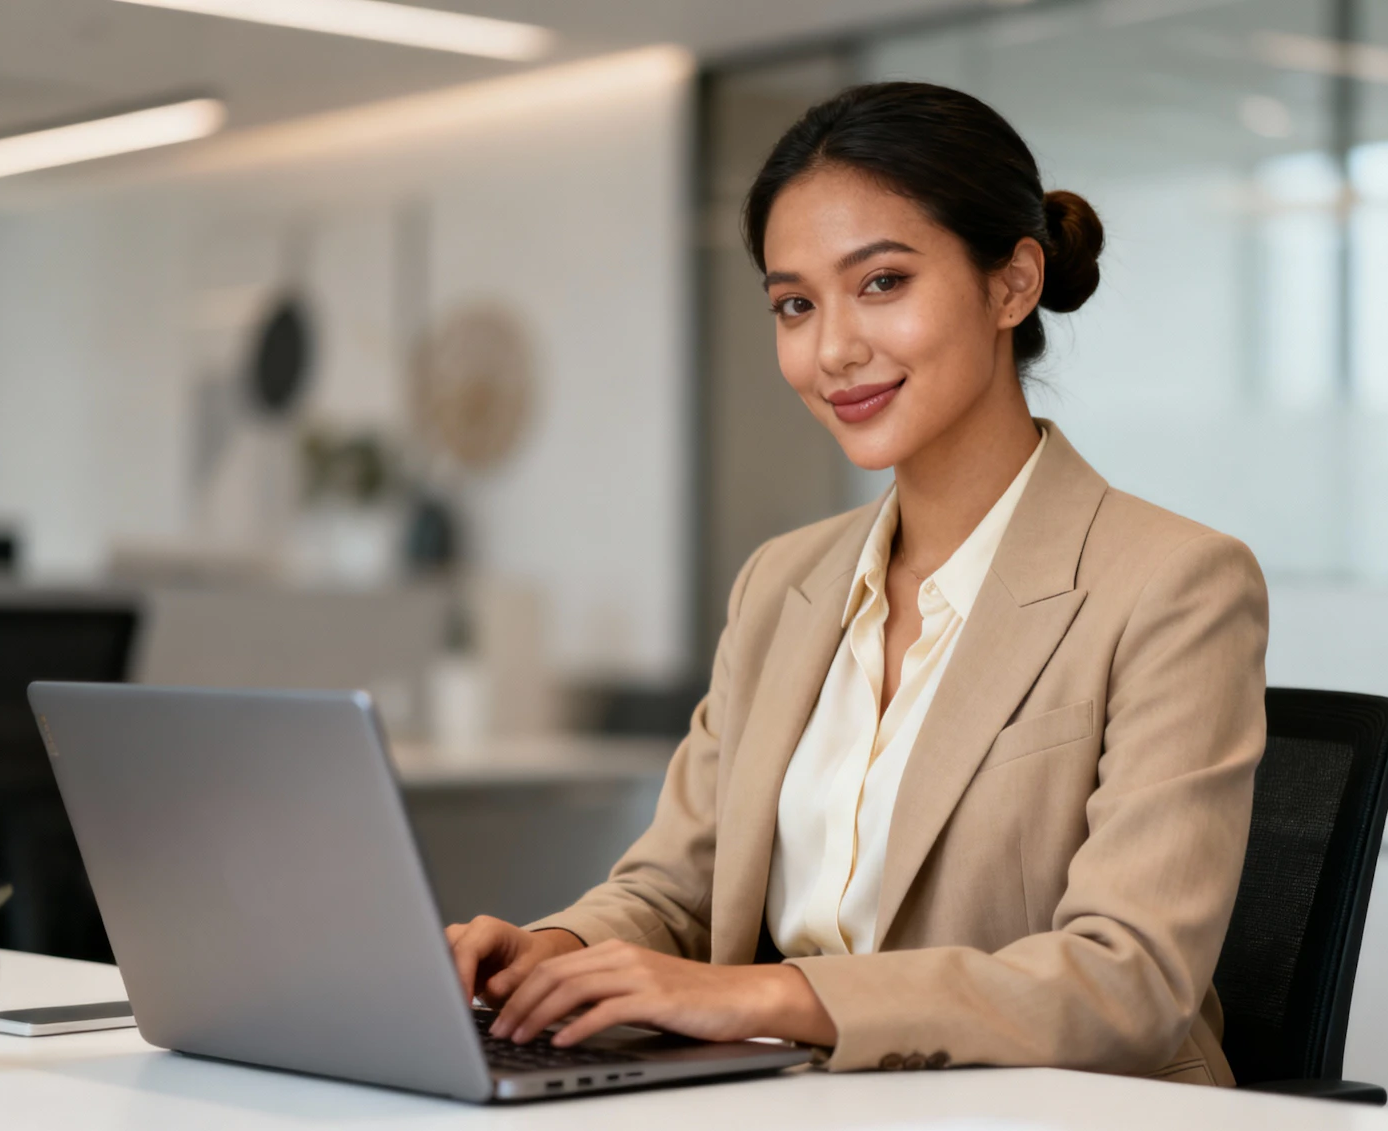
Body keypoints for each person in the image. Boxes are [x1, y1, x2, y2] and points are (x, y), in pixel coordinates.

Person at [446, 81, 1267, 1087]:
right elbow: (675, 891)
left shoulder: (1174, 583)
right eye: (795, 304)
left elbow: (1127, 981)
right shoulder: (781, 582)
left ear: (1013, 284)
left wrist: (767, 998)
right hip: (787, 1098)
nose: (832, 349)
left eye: (881, 283)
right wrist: (554, 951)